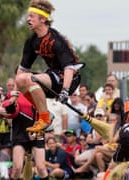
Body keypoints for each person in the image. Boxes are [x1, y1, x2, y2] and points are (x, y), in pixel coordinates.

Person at [15, 0, 84, 133]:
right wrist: (14, 95)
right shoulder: (31, 41)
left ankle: (44, 118)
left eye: (31, 16)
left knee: (30, 79)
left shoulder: (56, 40)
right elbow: (22, 69)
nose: (27, 19)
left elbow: (69, 68)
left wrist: (65, 90)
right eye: (28, 16)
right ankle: (46, 115)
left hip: (68, 79)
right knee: (20, 80)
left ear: (42, 19)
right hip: (52, 75)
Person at [2, 92, 49, 180]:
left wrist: (36, 130)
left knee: (41, 168)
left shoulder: (38, 93)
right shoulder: (14, 94)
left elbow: (46, 117)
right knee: (17, 169)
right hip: (20, 133)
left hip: (37, 132)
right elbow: (6, 111)